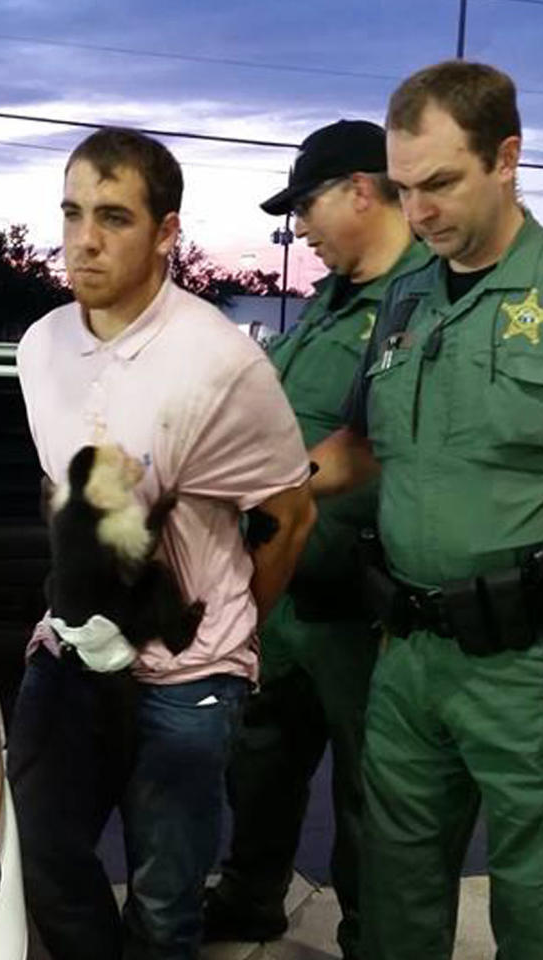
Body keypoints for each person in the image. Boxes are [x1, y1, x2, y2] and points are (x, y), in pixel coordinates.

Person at [309, 61, 543, 960]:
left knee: (540, 908)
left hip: (535, 671)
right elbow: (366, 449)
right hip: (409, 659)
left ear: (507, 158)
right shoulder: (406, 299)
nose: (420, 212)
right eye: (404, 189)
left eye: (441, 183)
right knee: (394, 899)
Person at [7, 126, 317, 960]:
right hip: (69, 652)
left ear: (167, 232)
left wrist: (232, 635)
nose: (85, 238)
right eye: (71, 213)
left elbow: (291, 515)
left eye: (113, 216)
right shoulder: (40, 348)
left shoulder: (220, 362)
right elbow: (56, 485)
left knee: (165, 896)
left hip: (186, 675)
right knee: (37, 848)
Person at [203, 119, 428, 958]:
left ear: (362, 191)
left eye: (307, 205)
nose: (298, 225)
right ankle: (250, 898)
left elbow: (381, 450)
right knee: (259, 764)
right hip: (286, 593)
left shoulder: (425, 303)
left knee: (376, 794)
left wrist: (271, 485)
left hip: (361, 609)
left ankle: (374, 937)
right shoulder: (327, 303)